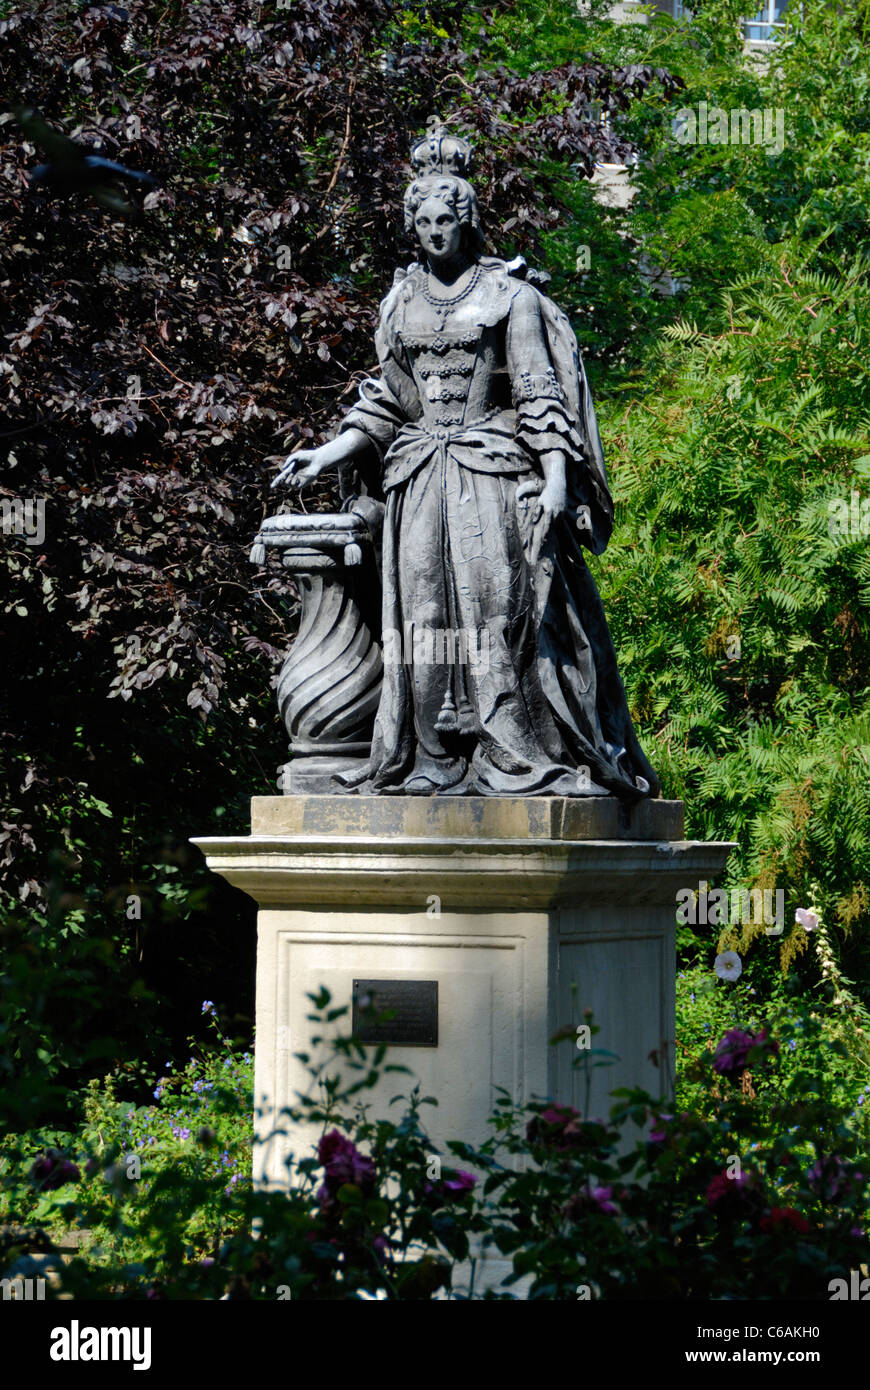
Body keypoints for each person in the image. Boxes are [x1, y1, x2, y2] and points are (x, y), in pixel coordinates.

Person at [273, 170, 659, 799]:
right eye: (423, 223)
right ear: (412, 227)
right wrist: (326, 452)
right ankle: (433, 756)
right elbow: (390, 404)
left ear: (467, 221)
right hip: (419, 477)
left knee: (496, 609)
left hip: (491, 476)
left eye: (444, 222)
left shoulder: (512, 298)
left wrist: (556, 480)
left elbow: (539, 394)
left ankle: (511, 749)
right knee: (421, 615)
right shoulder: (400, 304)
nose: (434, 234)